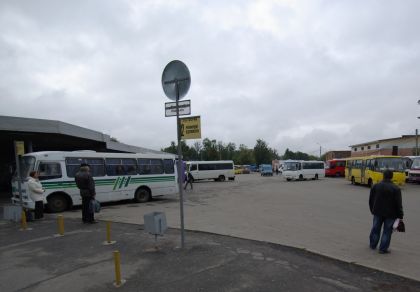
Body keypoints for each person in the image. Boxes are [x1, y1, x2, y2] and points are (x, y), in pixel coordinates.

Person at [369, 169, 404, 254]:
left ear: (383, 176)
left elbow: (371, 200)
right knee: (387, 231)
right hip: (391, 214)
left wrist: (372, 210)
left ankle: (373, 245)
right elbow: (398, 204)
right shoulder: (396, 188)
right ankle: (383, 249)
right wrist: (400, 215)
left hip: (377, 212)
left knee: (375, 229)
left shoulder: (375, 186)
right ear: (391, 177)